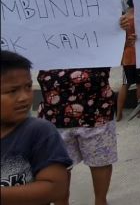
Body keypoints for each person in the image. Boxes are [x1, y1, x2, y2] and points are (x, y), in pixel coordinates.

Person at [36, 67, 117, 205]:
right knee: (58, 167)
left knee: (100, 162)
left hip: (97, 111)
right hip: (54, 115)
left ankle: (101, 201)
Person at [1, 51, 72, 205]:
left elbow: (56, 187)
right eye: (12, 91)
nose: (25, 97)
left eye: (28, 87)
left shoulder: (39, 131)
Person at [116, 0, 140, 122]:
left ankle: (118, 113)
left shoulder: (123, 18)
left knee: (125, 84)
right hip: (138, 54)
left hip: (127, 56)